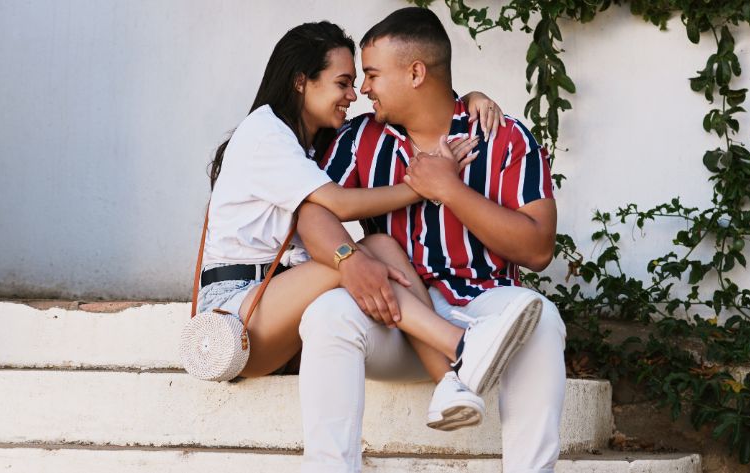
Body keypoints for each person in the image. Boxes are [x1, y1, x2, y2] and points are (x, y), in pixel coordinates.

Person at [196, 20, 531, 433]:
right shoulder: (267, 133)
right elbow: (338, 203)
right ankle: (461, 343)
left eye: (357, 83)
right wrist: (423, 186)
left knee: (380, 246)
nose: (354, 95)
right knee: (365, 256)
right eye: (343, 83)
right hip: (240, 313)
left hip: (284, 312)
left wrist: (470, 99)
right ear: (301, 82)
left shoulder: (306, 144)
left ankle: (450, 382)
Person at [296, 7, 567, 473]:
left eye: (373, 75)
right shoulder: (361, 138)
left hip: (483, 313)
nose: (364, 89)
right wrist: (347, 260)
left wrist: (450, 190)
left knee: (542, 320)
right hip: (395, 313)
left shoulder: (503, 136)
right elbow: (311, 210)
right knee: (327, 314)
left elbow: (539, 248)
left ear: (416, 73)